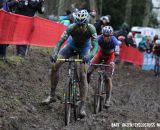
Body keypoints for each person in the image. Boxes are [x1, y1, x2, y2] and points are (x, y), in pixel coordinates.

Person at [41, 10, 98, 118]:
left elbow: (95, 47)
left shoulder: (91, 28)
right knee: (55, 66)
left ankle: (82, 105)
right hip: (70, 47)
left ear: (86, 23)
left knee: (82, 75)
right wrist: (54, 53)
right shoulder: (71, 27)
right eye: (78, 24)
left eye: (82, 25)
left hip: (85, 50)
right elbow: (59, 42)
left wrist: (89, 56)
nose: (80, 27)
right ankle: (52, 95)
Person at [87, 26, 121, 108]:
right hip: (100, 55)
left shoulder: (114, 41)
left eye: (108, 36)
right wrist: (89, 57)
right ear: (102, 35)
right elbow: (92, 48)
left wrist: (113, 62)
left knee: (107, 78)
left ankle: (108, 99)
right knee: (88, 71)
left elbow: (117, 54)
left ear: (111, 35)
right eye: (104, 36)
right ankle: (85, 87)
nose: (106, 38)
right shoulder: (99, 38)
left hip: (110, 56)